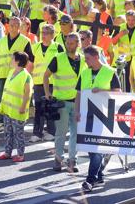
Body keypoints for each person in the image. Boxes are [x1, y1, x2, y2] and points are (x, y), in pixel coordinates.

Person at [76, 45, 121, 192]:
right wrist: (77, 111)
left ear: (96, 57)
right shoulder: (84, 73)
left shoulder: (109, 72)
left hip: (103, 116)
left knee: (96, 149)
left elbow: (118, 93)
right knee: (91, 148)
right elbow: (79, 94)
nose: (86, 61)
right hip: (87, 116)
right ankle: (99, 174)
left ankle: (90, 179)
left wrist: (102, 90)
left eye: (88, 58)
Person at [44, 32, 86, 172]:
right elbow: (46, 76)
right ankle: (58, 159)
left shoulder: (84, 60)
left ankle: (72, 160)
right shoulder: (58, 58)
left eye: (71, 43)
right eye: (67, 43)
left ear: (78, 44)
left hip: (78, 102)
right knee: (61, 132)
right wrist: (47, 93)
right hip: (61, 102)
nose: (68, 45)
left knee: (75, 133)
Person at [0, 16, 33, 131]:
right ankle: (3, 122)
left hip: (18, 76)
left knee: (17, 99)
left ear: (20, 26)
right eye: (11, 25)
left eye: (16, 25)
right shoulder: (2, 41)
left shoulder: (25, 41)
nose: (13, 27)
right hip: (3, 74)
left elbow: (30, 60)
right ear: (8, 26)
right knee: (3, 98)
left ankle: (17, 120)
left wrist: (27, 75)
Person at [30, 24, 63, 142]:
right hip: (38, 81)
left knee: (50, 107)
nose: (43, 35)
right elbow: (31, 64)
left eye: (46, 33)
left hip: (52, 82)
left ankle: (51, 132)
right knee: (38, 107)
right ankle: (37, 133)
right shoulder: (35, 47)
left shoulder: (58, 47)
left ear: (52, 35)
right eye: (42, 33)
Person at [0, 52, 33, 162]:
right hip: (8, 109)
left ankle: (20, 155)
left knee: (18, 134)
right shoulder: (11, 72)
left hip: (18, 110)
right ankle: (7, 152)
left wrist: (23, 107)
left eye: (12, 58)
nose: (11, 60)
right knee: (8, 132)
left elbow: (27, 93)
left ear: (17, 61)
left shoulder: (26, 76)